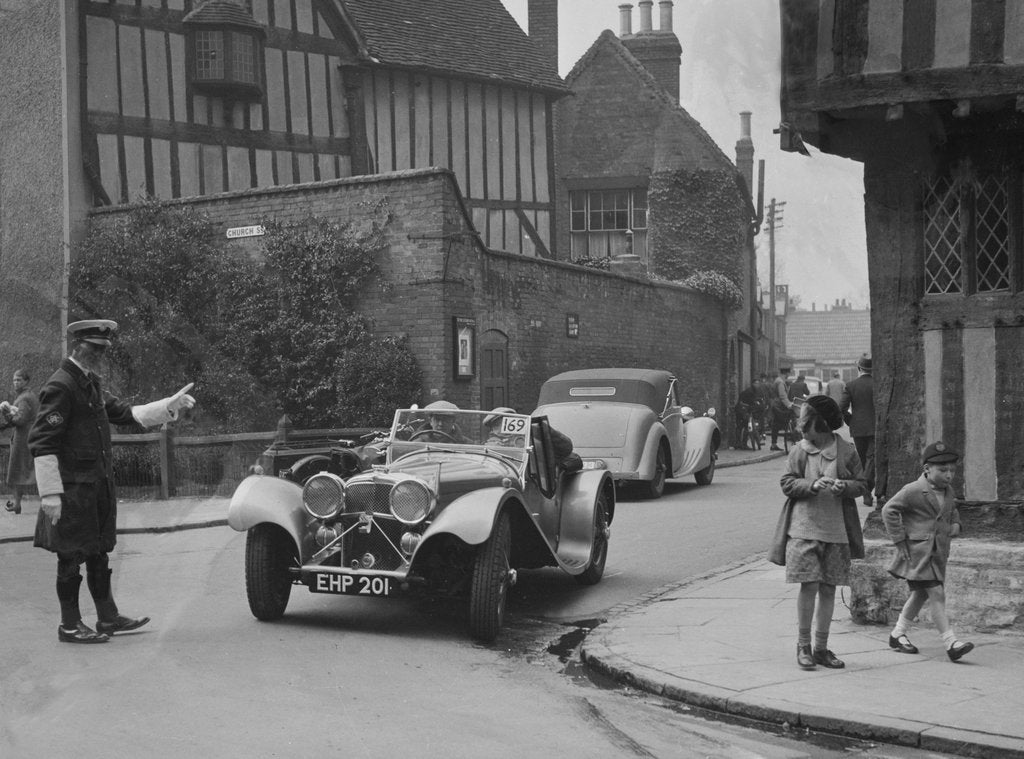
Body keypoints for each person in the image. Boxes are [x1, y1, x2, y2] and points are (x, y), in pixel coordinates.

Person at [29, 319, 196, 644]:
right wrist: (50, 494)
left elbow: (125, 412)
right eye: (95, 349)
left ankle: (107, 618)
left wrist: (167, 406)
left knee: (98, 551)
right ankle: (69, 625)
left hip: (97, 486)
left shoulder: (88, 382)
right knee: (70, 555)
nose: (100, 355)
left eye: (103, 350)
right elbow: (42, 442)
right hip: (71, 491)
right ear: (79, 347)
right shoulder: (61, 385)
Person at [780, 394, 867, 670]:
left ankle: (821, 648)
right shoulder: (799, 451)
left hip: (836, 532)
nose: (801, 426)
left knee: (828, 589)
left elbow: (863, 483)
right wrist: (811, 486)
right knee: (809, 586)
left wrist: (846, 487)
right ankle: (803, 645)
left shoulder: (847, 451)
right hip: (803, 530)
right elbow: (787, 483)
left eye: (806, 421)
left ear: (821, 423)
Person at [881, 441, 973, 662]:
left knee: (921, 593)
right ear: (927, 469)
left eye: (952, 470)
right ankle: (951, 643)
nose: (949, 475)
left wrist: (957, 525)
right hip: (919, 554)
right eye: (943, 470)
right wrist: (899, 539)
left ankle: (897, 634)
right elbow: (889, 510)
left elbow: (952, 511)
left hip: (938, 554)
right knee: (936, 594)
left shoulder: (949, 491)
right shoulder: (913, 490)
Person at [1, 369, 39, 514]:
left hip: (23, 439)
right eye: (14, 380)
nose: (16, 383)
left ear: (26, 381)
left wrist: (6, 413)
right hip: (26, 437)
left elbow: (20, 420)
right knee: (24, 471)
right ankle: (17, 503)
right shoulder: (27, 396)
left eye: (19, 380)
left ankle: (17, 504)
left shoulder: (25, 398)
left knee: (19, 471)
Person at [840, 355, 876, 506]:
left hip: (858, 428)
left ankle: (866, 491)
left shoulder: (850, 385)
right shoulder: (878, 384)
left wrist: (851, 421)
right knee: (871, 459)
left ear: (859, 368)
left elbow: (841, 408)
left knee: (862, 460)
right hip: (875, 427)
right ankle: (868, 489)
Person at [733, 378, 765, 449]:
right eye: (756, 383)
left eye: (758, 383)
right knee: (744, 426)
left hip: (743, 410)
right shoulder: (750, 392)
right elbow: (750, 402)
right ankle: (741, 444)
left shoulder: (753, 391)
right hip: (742, 411)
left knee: (742, 427)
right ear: (753, 384)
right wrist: (756, 404)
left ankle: (740, 443)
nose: (758, 385)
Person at [769, 367, 794, 451]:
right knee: (779, 423)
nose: (789, 375)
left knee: (776, 425)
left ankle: (774, 444)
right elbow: (783, 396)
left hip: (776, 405)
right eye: (788, 373)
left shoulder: (779, 380)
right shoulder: (780, 382)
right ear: (786, 373)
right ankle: (776, 443)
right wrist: (789, 405)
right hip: (778, 406)